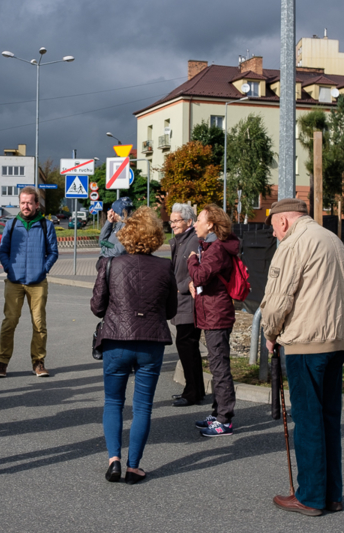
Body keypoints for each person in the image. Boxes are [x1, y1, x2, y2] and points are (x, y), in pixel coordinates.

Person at [261, 198, 344, 516]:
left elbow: (276, 300)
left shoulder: (292, 244)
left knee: (309, 419)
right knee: (329, 418)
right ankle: (332, 494)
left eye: (273, 227)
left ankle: (311, 496)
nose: (274, 234)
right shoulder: (332, 239)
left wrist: (270, 333)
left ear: (283, 221)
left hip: (306, 341)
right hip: (338, 339)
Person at [90, 207, 177, 484]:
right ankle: (134, 466)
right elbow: (172, 310)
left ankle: (113, 459)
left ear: (125, 235)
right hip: (151, 343)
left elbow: (96, 307)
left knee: (114, 401)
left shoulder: (110, 264)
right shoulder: (165, 266)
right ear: (155, 237)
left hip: (116, 339)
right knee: (142, 407)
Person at [187, 204, 240, 437]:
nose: (195, 223)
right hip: (212, 313)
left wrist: (191, 261)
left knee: (219, 368)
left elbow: (200, 275)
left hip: (217, 315)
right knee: (216, 365)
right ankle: (218, 412)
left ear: (210, 224)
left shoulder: (216, 249)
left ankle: (224, 420)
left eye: (199, 220)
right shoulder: (210, 246)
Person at [0, 186, 59, 378]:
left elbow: (53, 252)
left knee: (39, 324)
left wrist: (43, 269)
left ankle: (38, 362)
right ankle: (2, 362)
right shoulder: (12, 224)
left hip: (37, 283)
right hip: (14, 282)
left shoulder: (46, 225)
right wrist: (9, 268)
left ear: (37, 204)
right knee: (9, 322)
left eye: (29, 203)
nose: (25, 206)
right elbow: (2, 251)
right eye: (22, 202)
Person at [168, 203, 204, 407]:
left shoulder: (192, 241)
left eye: (176, 221)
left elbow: (194, 271)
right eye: (171, 221)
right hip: (181, 301)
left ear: (188, 221)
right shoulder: (181, 240)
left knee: (187, 345)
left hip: (188, 301)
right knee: (187, 347)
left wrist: (178, 287)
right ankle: (194, 389)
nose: (172, 224)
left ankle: (192, 393)